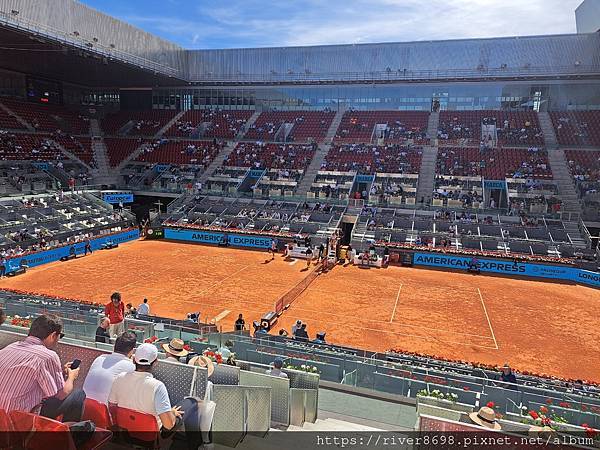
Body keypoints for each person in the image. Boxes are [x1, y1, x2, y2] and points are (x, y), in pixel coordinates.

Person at [108, 343, 203, 449]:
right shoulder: (157, 386)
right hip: (152, 437)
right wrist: (171, 413)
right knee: (192, 402)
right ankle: (196, 445)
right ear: (156, 363)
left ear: (134, 360)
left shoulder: (119, 378)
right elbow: (168, 425)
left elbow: (112, 407)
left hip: (126, 433)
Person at [0, 314, 85, 422]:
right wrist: (71, 377)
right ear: (53, 335)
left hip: (3, 416)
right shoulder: (48, 356)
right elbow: (60, 394)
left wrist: (60, 372)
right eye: (60, 335)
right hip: (19, 419)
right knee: (78, 395)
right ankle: (68, 437)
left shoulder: (9, 348)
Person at [83, 331, 136, 404]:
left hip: (85, 407)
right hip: (105, 411)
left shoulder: (99, 358)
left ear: (114, 346)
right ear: (132, 351)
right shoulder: (130, 366)